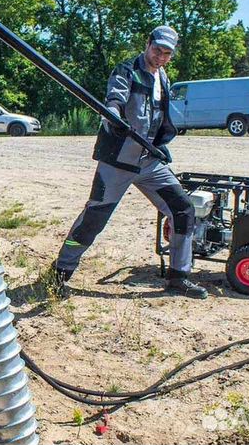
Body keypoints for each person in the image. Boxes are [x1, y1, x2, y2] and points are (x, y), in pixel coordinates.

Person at [53, 25, 207, 299]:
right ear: (147, 44)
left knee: (183, 209)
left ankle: (178, 278)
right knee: (94, 218)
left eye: (167, 53)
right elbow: (113, 100)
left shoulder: (164, 78)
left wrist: (160, 144)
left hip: (149, 161)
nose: (160, 56)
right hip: (118, 161)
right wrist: (113, 118)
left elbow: (159, 116)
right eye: (157, 49)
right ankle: (60, 273)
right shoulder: (126, 70)